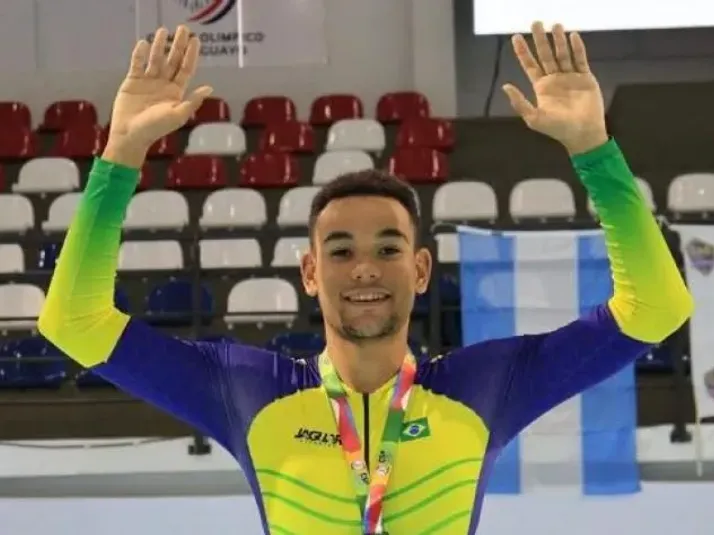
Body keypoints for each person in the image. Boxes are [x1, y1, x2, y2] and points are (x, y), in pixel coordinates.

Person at [38, 21, 693, 535]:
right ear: (310, 272)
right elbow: (74, 322)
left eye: (387, 246)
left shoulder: (487, 386)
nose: (365, 267)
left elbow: (657, 308)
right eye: (341, 250)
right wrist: (121, 154)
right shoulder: (244, 390)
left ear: (420, 268)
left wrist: (593, 151)